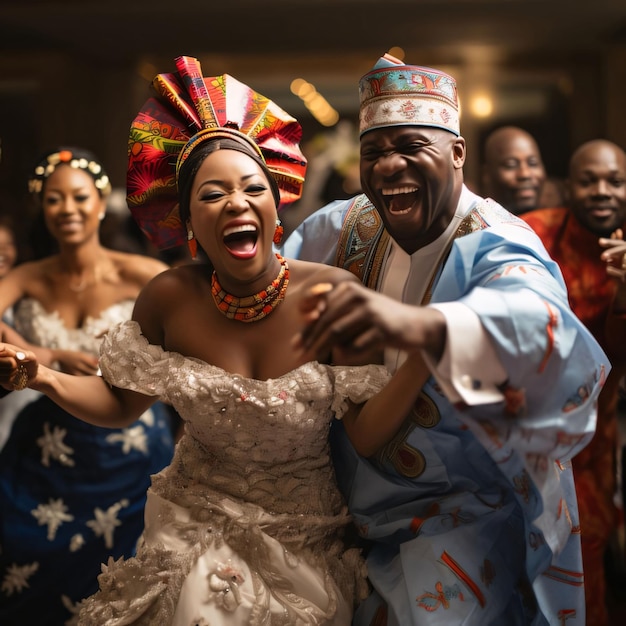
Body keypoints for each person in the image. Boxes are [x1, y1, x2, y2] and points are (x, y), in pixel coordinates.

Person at [0, 56, 430, 626]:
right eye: (212, 195)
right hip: (192, 522)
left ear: (276, 206)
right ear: (187, 221)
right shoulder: (167, 298)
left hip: (303, 534)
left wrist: (424, 358)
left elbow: (367, 432)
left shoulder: (333, 294)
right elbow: (121, 403)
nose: (236, 203)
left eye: (253, 187)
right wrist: (45, 376)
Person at [282, 53, 608, 625]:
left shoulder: (500, 237)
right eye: (374, 152)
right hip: (338, 506)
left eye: (410, 146)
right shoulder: (340, 228)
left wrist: (426, 326)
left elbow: (535, 319)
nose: (389, 166)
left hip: (468, 511)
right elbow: (268, 297)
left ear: (457, 153)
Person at [0, 146, 176, 625]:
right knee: (20, 549)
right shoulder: (27, 276)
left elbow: (185, 332)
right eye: (54, 200)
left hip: (129, 443)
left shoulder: (141, 273)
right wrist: (43, 354)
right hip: (47, 445)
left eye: (79, 197)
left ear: (101, 203)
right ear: (43, 209)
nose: (68, 210)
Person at [521, 139, 626, 626]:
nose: (602, 191)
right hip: (530, 425)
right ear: (569, 186)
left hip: (598, 435)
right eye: (589, 180)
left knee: (590, 550)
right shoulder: (537, 232)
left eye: (615, 181)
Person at [481, 125, 546, 215]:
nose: (525, 174)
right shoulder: (474, 227)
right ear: (486, 174)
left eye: (532, 163)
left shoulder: (561, 225)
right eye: (511, 165)